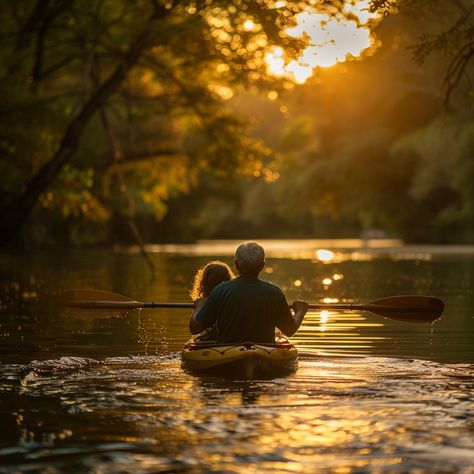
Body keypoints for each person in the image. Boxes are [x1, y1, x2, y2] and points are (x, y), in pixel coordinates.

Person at [189, 242, 309, 344]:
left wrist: (199, 306)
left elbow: (195, 328)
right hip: (265, 350)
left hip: (225, 351)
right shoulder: (274, 292)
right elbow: (290, 330)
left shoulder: (220, 290)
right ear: (262, 266)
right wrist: (300, 311)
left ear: (236, 264)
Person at [189, 260, 235, 341]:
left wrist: (198, 307)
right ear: (228, 279)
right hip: (229, 342)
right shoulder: (232, 299)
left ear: (204, 282)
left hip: (209, 344)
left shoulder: (202, 303)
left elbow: (193, 330)